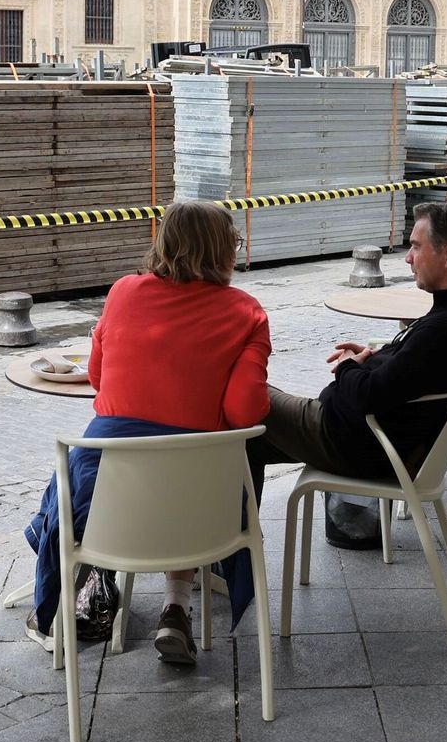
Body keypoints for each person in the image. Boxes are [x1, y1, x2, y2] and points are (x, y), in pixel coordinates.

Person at [23, 201, 270, 666]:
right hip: (202, 511)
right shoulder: (246, 312)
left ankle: (73, 578)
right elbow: (247, 411)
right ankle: (176, 603)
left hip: (107, 508)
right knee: (183, 464)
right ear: (222, 252)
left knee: (75, 479)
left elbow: (97, 377)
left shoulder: (123, 293)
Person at [244, 201, 447, 536]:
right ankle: (235, 551)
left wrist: (347, 368)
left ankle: (228, 552)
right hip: (398, 444)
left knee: (247, 400)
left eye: (415, 246)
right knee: (244, 439)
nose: (408, 258)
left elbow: (367, 396)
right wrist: (377, 357)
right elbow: (418, 368)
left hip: (363, 446)